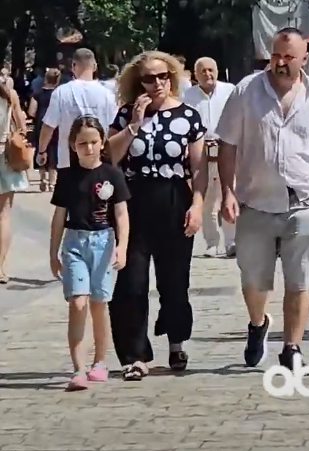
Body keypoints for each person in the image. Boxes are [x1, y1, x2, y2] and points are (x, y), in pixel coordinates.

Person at [217, 27, 309, 370]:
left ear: (305, 59)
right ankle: (258, 323)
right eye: (276, 55)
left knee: (300, 279)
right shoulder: (247, 91)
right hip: (255, 200)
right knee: (254, 281)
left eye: (289, 57)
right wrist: (227, 191)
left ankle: (292, 347)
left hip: (303, 201)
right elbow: (227, 143)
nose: (281, 63)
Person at [107, 51, 207, 381]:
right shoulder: (125, 115)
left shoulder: (188, 116)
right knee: (131, 283)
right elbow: (111, 157)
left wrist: (198, 205)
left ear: (173, 77)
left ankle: (176, 342)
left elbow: (198, 167)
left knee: (175, 281)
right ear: (139, 83)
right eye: (149, 78)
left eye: (163, 76)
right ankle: (135, 355)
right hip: (134, 202)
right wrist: (134, 125)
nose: (157, 83)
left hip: (174, 198)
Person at [49, 116, 131, 391]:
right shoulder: (67, 177)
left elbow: (121, 214)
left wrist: (122, 246)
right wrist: (53, 253)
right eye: (82, 143)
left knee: (99, 303)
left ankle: (100, 361)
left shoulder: (112, 174)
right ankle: (78, 368)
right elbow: (59, 216)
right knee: (78, 302)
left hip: (103, 242)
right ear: (73, 145)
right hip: (75, 242)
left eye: (94, 142)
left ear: (102, 143)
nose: (89, 148)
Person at [183, 57, 237, 258]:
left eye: (211, 70)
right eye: (203, 71)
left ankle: (232, 242)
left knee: (230, 195)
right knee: (207, 200)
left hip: (227, 149)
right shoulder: (188, 96)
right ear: (196, 75)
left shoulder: (229, 90)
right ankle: (212, 242)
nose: (208, 74)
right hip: (201, 151)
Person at [37, 49, 117, 172]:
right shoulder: (108, 95)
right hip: (99, 159)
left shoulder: (61, 92)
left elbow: (48, 126)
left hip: (67, 161)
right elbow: (113, 129)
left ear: (73, 66)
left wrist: (42, 151)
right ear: (95, 66)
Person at [0, 74, 29, 284]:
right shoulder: (10, 95)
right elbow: (23, 127)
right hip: (5, 158)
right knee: (3, 215)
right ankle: (0, 267)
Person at [28, 68, 62, 191]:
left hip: (41, 125)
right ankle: (52, 182)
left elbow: (31, 111)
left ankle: (43, 180)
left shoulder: (37, 94)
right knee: (54, 153)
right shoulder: (59, 94)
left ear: (45, 78)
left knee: (41, 150)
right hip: (57, 126)